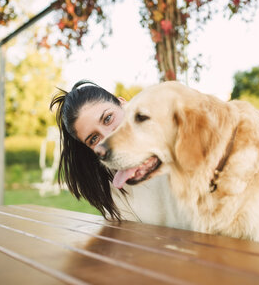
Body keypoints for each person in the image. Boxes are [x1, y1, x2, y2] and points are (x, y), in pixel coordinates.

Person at [50, 80, 190, 229]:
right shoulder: (114, 183)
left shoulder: (177, 127)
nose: (107, 137)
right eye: (94, 138)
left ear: (122, 103)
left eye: (108, 118)